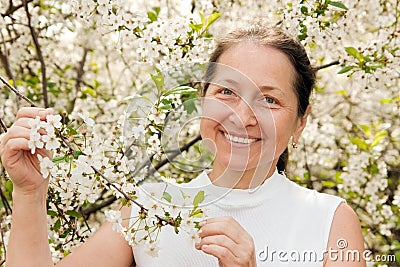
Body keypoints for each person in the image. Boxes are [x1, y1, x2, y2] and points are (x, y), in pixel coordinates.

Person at [0, 24, 365, 267]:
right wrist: (30, 194)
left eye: (269, 100)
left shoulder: (330, 220)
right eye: (226, 92)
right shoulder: (148, 209)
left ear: (301, 121)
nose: (243, 116)